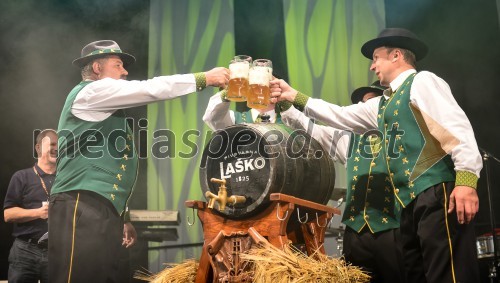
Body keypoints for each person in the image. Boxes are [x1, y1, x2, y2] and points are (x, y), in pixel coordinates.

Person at [272, 28, 482, 283]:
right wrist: (292, 97)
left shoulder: (422, 81)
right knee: (419, 273)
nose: (372, 66)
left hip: (436, 188)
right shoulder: (382, 104)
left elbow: (455, 126)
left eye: (376, 58)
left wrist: (466, 179)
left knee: (448, 272)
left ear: (396, 55)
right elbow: (340, 115)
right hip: (411, 201)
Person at [49, 40, 229, 283]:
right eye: (118, 64)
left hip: (97, 207)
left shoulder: (102, 103)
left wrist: (122, 216)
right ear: (97, 68)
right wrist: (204, 78)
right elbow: (150, 89)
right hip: (79, 202)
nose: (124, 72)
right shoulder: (90, 92)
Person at [277, 82, 405, 282]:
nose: (365, 109)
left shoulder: (403, 135)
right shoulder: (348, 139)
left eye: (371, 103)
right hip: (356, 231)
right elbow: (311, 129)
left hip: (395, 228)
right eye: (361, 105)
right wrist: (284, 103)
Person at [3, 129, 57, 283]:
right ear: (38, 148)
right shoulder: (21, 176)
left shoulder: (66, 180)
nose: (57, 148)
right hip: (24, 252)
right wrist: (39, 213)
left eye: (60, 144)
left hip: (57, 251)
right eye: (52, 144)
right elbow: (8, 214)